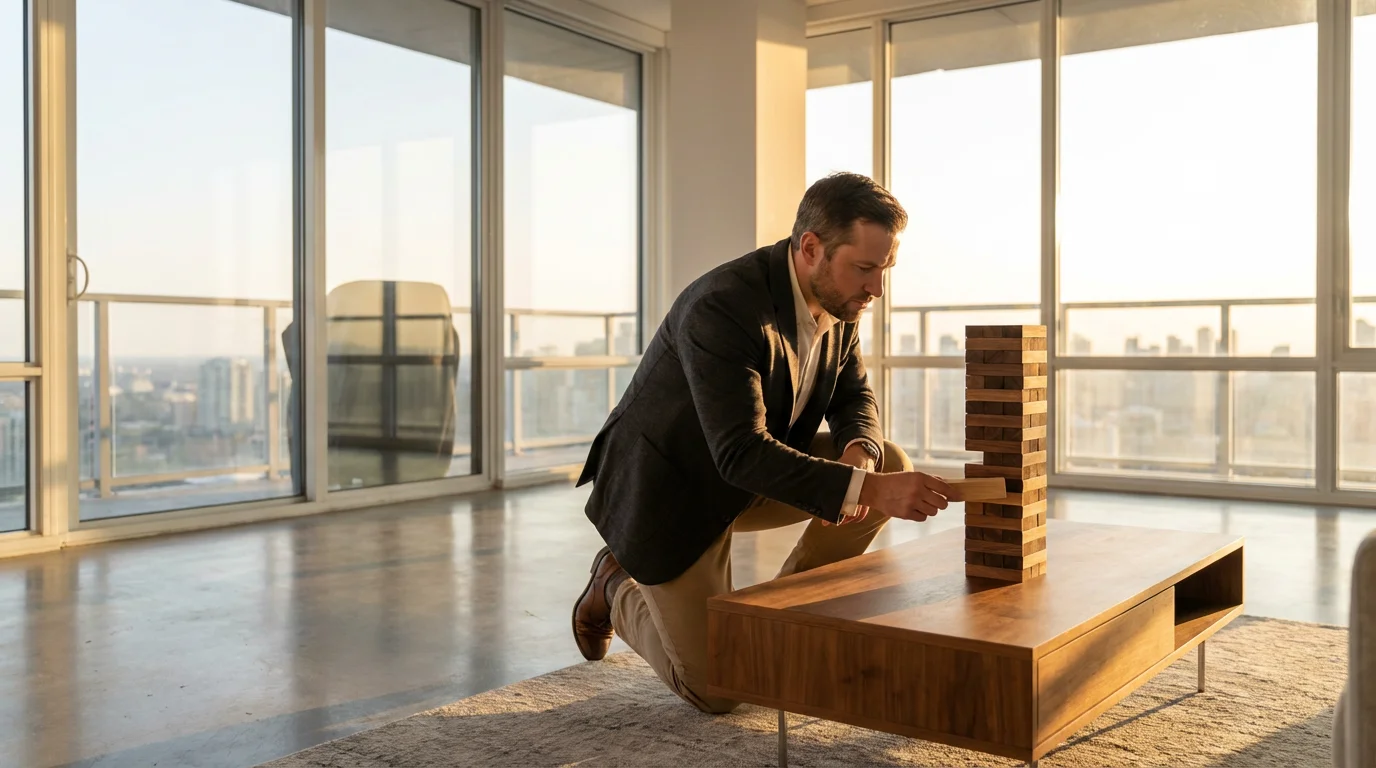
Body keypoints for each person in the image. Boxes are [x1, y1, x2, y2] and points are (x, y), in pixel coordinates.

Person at [571, 172, 955, 714]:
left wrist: (859, 457)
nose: (876, 289)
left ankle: (779, 626)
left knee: (887, 461)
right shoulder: (723, 307)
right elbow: (739, 452)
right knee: (719, 689)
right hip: (674, 494)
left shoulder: (838, 303)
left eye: (884, 269)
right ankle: (613, 586)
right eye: (865, 268)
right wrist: (865, 488)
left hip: (749, 479)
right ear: (811, 248)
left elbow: (855, 397)